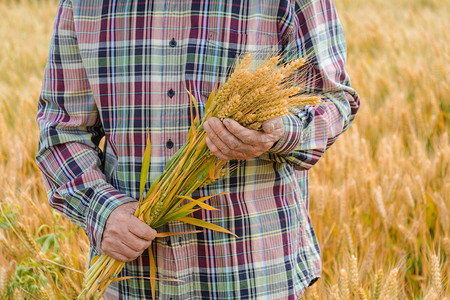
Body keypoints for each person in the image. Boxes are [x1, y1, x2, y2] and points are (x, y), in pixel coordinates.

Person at [35, 0, 360, 298]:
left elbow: (333, 99)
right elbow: (62, 129)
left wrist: (281, 131)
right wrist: (102, 212)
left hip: (254, 277)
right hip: (131, 281)